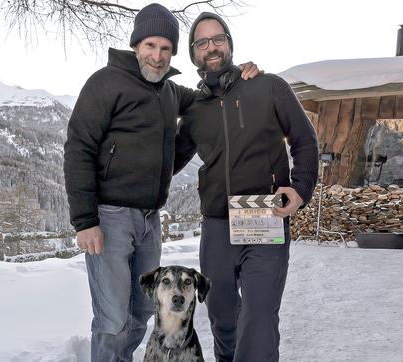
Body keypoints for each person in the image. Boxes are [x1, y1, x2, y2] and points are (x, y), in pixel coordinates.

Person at [63, 4, 258, 361]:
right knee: (112, 317)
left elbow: (209, 95)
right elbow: (79, 147)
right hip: (110, 216)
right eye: (151, 45)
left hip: (149, 220)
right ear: (137, 45)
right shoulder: (106, 83)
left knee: (142, 312)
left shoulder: (169, 91)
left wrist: (241, 74)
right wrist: (85, 221)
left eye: (165, 48)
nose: (157, 56)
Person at [174, 12, 319, 362]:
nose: (211, 47)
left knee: (257, 314)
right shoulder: (194, 109)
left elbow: (304, 140)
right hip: (217, 222)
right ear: (194, 53)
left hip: (264, 211)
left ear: (229, 43)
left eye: (218, 39)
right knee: (221, 312)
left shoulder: (267, 87)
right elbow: (168, 161)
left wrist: (299, 188)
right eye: (202, 42)